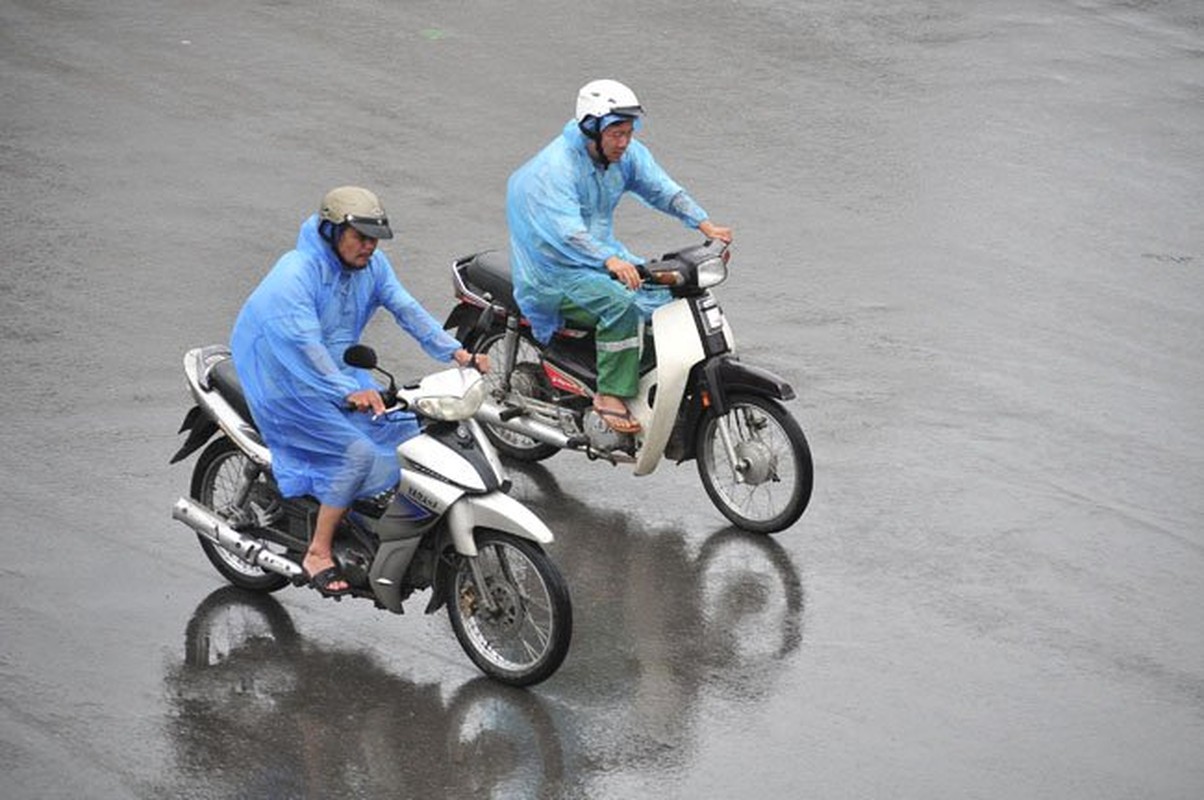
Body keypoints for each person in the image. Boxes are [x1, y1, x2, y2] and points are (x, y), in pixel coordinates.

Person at [230, 186, 487, 596]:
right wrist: (345, 390)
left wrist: (456, 352)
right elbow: (303, 346)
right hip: (284, 382)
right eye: (361, 237)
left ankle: (370, 520)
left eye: (375, 239)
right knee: (358, 452)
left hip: (338, 374)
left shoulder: (372, 266)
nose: (369, 247)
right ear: (332, 231)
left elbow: (406, 309)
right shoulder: (295, 274)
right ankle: (318, 550)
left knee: (412, 429)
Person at [506, 79, 732, 435]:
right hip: (553, 271)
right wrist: (609, 261)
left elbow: (662, 189)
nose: (624, 142)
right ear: (591, 129)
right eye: (616, 134)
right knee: (620, 305)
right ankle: (609, 394)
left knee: (664, 296)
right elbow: (568, 233)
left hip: (599, 257)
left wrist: (704, 223)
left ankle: (645, 382)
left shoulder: (624, 157)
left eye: (628, 132)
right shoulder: (556, 169)